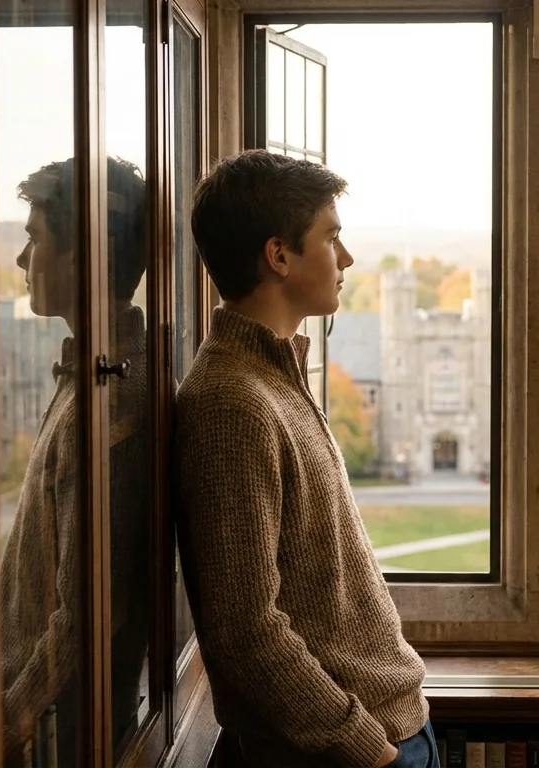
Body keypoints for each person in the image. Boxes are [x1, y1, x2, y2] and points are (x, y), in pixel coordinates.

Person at [175, 150, 436, 768]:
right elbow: (245, 631)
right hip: (342, 754)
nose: (345, 259)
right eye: (332, 236)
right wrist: (367, 748)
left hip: (385, 727)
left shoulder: (274, 377)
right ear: (279, 256)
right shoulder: (232, 404)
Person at [0, 155, 150, 767]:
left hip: (62, 732)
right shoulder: (88, 372)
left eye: (34, 239)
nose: (20, 259)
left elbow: (85, 608)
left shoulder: (112, 396)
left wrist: (8, 718)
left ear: (84, 255)